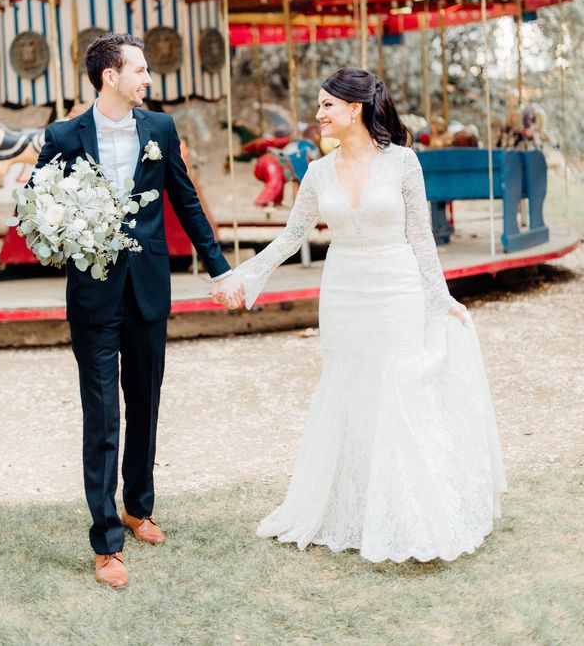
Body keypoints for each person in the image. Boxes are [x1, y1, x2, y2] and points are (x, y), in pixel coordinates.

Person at [211, 68, 506, 563]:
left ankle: (410, 512)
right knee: (349, 387)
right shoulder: (318, 172)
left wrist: (441, 298)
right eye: (320, 105)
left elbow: (421, 237)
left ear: (356, 109)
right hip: (343, 291)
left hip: (396, 287)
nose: (319, 114)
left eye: (327, 105)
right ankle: (354, 506)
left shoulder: (403, 163)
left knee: (398, 389)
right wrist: (242, 276)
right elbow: (290, 236)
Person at [31, 32, 243, 588]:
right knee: (102, 416)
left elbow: (185, 196)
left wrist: (217, 265)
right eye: (140, 70)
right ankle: (107, 543)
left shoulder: (161, 129)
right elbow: (38, 200)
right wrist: (59, 236)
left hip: (148, 289)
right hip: (93, 294)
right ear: (111, 77)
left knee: (144, 401)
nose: (148, 78)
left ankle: (138, 506)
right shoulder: (63, 136)